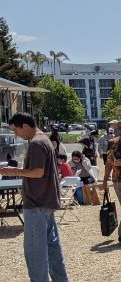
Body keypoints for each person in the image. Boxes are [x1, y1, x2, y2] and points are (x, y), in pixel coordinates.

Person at [1, 113, 68, 281]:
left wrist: (14, 171)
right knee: (52, 247)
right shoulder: (44, 139)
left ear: (25, 126)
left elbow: (38, 172)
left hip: (36, 202)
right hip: (47, 200)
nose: (17, 135)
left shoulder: (36, 143)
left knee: (35, 252)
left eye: (16, 130)